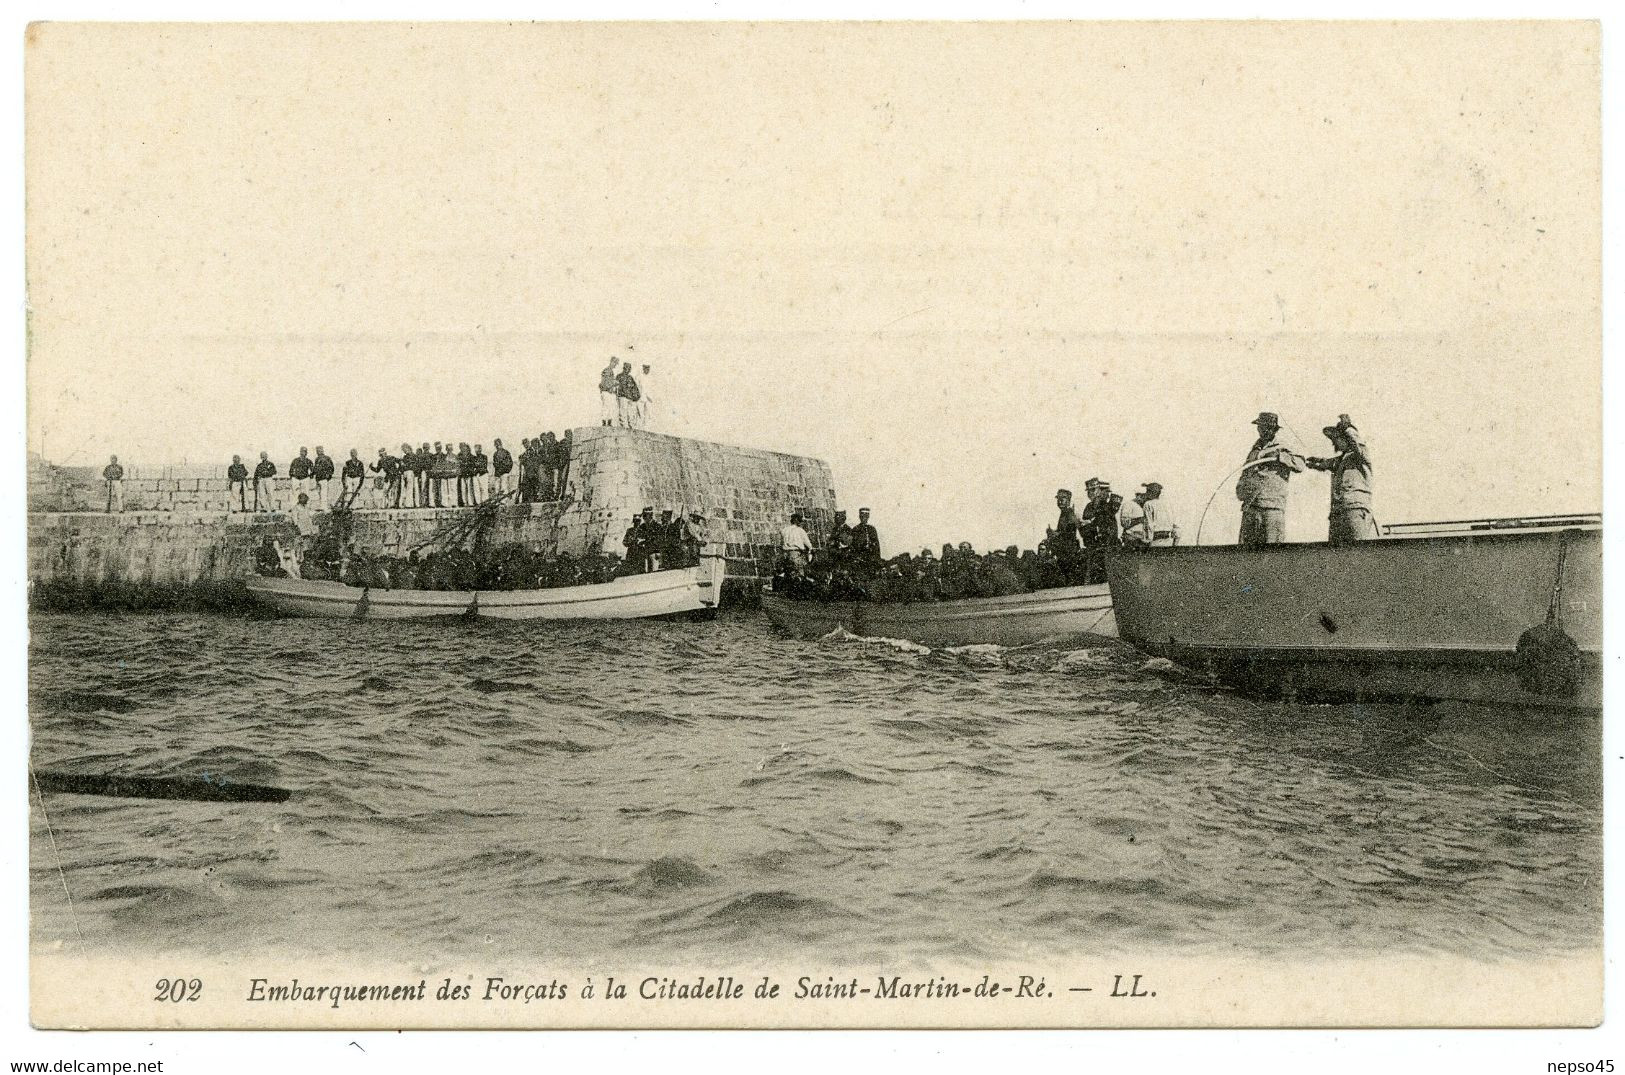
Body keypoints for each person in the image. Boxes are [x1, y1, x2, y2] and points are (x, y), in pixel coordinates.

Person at [1236, 411, 1305, 547]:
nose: (1263, 430)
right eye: (1261, 427)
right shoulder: (1254, 451)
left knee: (1272, 552)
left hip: (1271, 508)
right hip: (1251, 507)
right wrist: (1241, 490)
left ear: (1274, 429)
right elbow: (1245, 472)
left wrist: (1280, 457)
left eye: (1267, 427)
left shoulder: (1283, 446)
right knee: (1246, 553)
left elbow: (1300, 464)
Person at [1306, 415, 1377, 545]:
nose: (1334, 443)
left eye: (1336, 438)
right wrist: (1315, 462)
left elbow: (1357, 445)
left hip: (1354, 510)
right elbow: (1326, 463)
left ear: (1346, 438)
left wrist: (1348, 428)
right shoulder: (1341, 460)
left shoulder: (1360, 455)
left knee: (1358, 551)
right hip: (1338, 513)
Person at [1049, 488, 1084, 582]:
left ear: (1068, 500)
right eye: (1058, 499)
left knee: (1069, 575)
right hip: (1065, 549)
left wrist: (1054, 533)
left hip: (1069, 550)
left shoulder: (1069, 513)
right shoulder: (1064, 513)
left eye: (1062, 498)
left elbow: (1067, 530)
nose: (1060, 501)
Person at [781, 512, 813, 577]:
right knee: (799, 573)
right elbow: (808, 544)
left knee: (788, 573)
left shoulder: (784, 530)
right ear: (797, 521)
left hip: (785, 554)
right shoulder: (800, 530)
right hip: (795, 553)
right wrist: (810, 549)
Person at [849, 508, 881, 574]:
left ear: (868, 517)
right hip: (860, 560)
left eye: (866, 516)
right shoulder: (855, 529)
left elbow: (877, 546)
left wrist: (877, 560)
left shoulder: (872, 529)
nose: (864, 518)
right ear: (859, 516)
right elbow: (852, 546)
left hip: (871, 559)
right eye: (862, 516)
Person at [616, 361, 642, 428]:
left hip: (630, 398)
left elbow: (635, 388)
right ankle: (623, 426)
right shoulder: (619, 376)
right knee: (623, 412)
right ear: (624, 368)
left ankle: (632, 426)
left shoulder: (630, 377)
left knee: (631, 413)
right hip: (623, 397)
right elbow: (617, 387)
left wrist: (636, 397)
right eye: (627, 368)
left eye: (629, 368)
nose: (628, 369)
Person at [599, 358, 620, 426]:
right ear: (611, 362)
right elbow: (606, 383)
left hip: (608, 392)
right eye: (615, 363)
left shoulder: (609, 370)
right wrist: (615, 383)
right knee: (606, 407)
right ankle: (604, 422)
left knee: (610, 407)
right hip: (606, 392)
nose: (615, 365)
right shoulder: (607, 370)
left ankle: (608, 422)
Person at [637, 363, 653, 430]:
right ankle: (640, 428)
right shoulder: (639, 376)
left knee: (648, 414)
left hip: (648, 399)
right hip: (641, 398)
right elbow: (638, 387)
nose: (647, 370)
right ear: (643, 369)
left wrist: (650, 397)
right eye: (646, 368)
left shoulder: (650, 378)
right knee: (640, 414)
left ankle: (646, 429)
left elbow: (651, 388)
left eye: (648, 369)